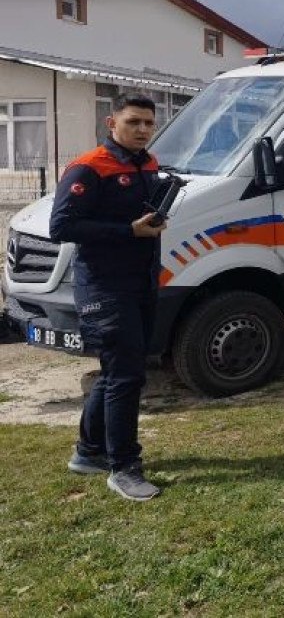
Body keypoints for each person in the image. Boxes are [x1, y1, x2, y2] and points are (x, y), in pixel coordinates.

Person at [50, 93, 168, 501]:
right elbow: (62, 227)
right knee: (126, 376)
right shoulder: (89, 166)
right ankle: (124, 468)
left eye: (148, 123)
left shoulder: (147, 163)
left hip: (141, 282)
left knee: (118, 370)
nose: (142, 130)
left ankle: (88, 452)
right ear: (111, 122)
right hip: (105, 286)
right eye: (134, 121)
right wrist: (128, 231)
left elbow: (137, 217)